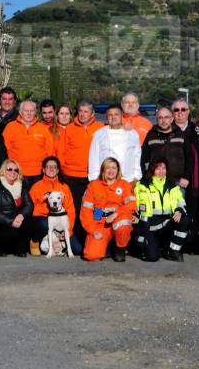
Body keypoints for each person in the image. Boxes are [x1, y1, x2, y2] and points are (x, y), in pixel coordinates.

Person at [80, 157, 136, 262]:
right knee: (91, 255)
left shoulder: (124, 185)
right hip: (100, 224)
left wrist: (116, 214)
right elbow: (85, 212)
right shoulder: (93, 186)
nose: (111, 171)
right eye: (108, 168)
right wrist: (93, 231)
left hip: (117, 221)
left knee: (124, 221)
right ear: (103, 170)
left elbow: (132, 204)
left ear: (118, 170)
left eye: (114, 168)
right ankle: (105, 247)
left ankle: (120, 248)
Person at [59, 101, 104, 232]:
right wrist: (63, 172)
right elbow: (61, 152)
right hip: (72, 176)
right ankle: (75, 236)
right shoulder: (70, 129)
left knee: (95, 207)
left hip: (93, 176)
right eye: (81, 111)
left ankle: (95, 233)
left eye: (86, 111)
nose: (83, 114)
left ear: (92, 113)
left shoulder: (100, 127)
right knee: (75, 208)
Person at [134, 156, 189, 262]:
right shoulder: (142, 186)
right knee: (152, 257)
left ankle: (173, 251)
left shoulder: (172, 185)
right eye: (158, 168)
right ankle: (146, 247)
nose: (161, 171)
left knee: (184, 219)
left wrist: (178, 211)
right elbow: (137, 208)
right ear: (152, 169)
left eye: (164, 168)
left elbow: (180, 202)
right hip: (149, 226)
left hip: (166, 223)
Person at [28, 156, 82, 256]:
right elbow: (29, 208)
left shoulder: (64, 187)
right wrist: (42, 201)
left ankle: (59, 245)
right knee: (44, 224)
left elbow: (70, 210)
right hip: (43, 219)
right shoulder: (36, 187)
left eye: (54, 167)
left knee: (78, 250)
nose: (51, 169)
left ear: (57, 170)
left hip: (61, 222)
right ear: (43, 170)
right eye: (48, 167)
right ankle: (35, 241)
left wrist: (68, 231)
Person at [0, 159, 34, 257]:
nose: (13, 172)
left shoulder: (21, 185)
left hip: (15, 220)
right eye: (10, 169)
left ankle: (19, 249)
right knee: (10, 232)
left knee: (30, 223)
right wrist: (10, 221)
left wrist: (21, 215)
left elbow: (29, 205)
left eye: (16, 170)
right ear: (3, 171)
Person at [2, 100, 55, 183]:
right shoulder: (10, 127)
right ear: (20, 112)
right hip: (17, 173)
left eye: (32, 111)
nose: (29, 113)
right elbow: (4, 150)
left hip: (39, 174)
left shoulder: (43, 129)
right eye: (26, 111)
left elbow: (50, 152)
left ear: (35, 112)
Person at [88, 104, 141, 182]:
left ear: (122, 115)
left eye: (116, 114)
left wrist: (136, 177)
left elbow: (137, 155)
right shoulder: (99, 134)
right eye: (110, 115)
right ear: (106, 117)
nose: (113, 117)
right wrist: (93, 179)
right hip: (105, 181)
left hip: (128, 180)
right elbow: (93, 158)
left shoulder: (132, 133)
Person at [141, 106, 190, 186]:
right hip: (155, 182)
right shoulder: (150, 135)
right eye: (160, 118)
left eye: (166, 117)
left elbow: (189, 158)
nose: (163, 121)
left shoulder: (181, 134)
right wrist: (146, 177)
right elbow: (144, 159)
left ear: (172, 119)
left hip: (178, 182)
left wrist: (186, 177)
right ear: (156, 120)